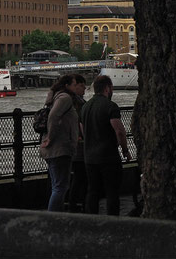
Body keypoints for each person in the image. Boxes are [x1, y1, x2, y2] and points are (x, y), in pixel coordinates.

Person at [80, 74, 132, 215]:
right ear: (108, 88)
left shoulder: (85, 107)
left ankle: (92, 219)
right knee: (112, 191)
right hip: (108, 156)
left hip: (89, 157)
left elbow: (83, 130)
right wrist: (125, 150)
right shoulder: (110, 106)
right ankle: (112, 221)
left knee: (93, 190)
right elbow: (119, 131)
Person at [39, 74, 80, 211]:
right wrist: (50, 137)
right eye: (74, 84)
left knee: (57, 185)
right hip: (60, 148)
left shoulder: (54, 97)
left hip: (53, 149)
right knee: (60, 187)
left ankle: (57, 215)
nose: (76, 87)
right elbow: (53, 116)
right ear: (67, 86)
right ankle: (53, 218)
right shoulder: (65, 98)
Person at [67, 74, 88, 212]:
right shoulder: (78, 104)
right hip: (79, 146)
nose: (84, 90)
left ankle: (74, 205)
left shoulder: (70, 101)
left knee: (76, 177)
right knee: (81, 177)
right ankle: (76, 206)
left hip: (71, 145)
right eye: (82, 86)